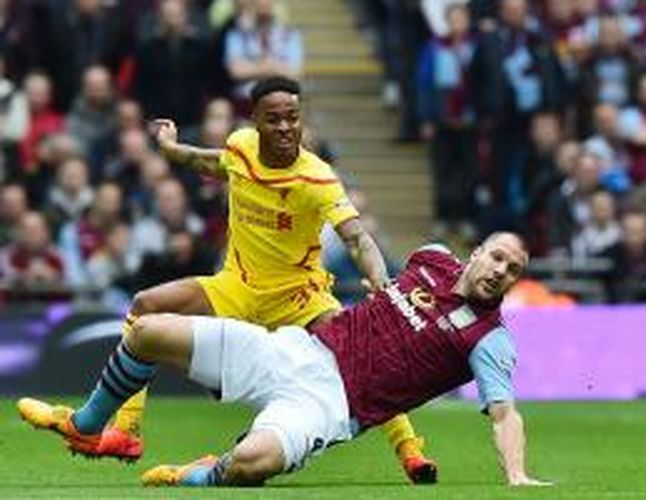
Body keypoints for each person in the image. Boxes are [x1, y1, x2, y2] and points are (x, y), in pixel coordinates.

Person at [88, 76, 437, 483]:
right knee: (147, 305)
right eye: (274, 119)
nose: (286, 127)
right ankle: (127, 431)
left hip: (300, 297)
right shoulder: (240, 147)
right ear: (254, 120)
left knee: (361, 362)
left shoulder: (318, 178)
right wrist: (169, 148)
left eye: (293, 117)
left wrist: (381, 283)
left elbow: (357, 238)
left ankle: (410, 452)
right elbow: (211, 163)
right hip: (239, 286)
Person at [17, 232, 550, 488]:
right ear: (477, 251)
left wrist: (518, 475)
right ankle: (87, 425)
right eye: (498, 257)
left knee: (254, 464)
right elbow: (374, 264)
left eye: (513, 270)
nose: (501, 271)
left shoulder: (489, 338)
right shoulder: (429, 258)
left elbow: (504, 412)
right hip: (295, 349)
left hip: (330, 405)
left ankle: (206, 475)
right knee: (148, 331)